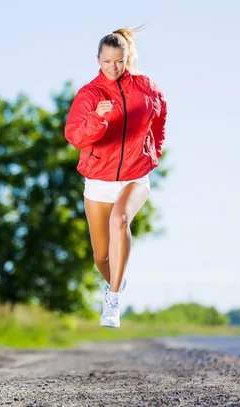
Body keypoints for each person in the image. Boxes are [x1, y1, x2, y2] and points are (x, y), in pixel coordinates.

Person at [64, 27, 167, 328]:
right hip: (99, 180)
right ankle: (116, 282)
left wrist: (154, 150)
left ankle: (113, 301)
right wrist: (98, 118)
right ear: (98, 60)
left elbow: (159, 117)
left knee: (119, 219)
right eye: (107, 61)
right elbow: (75, 136)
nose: (113, 67)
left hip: (136, 175)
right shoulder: (89, 95)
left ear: (126, 59)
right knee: (100, 257)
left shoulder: (146, 87)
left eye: (119, 61)